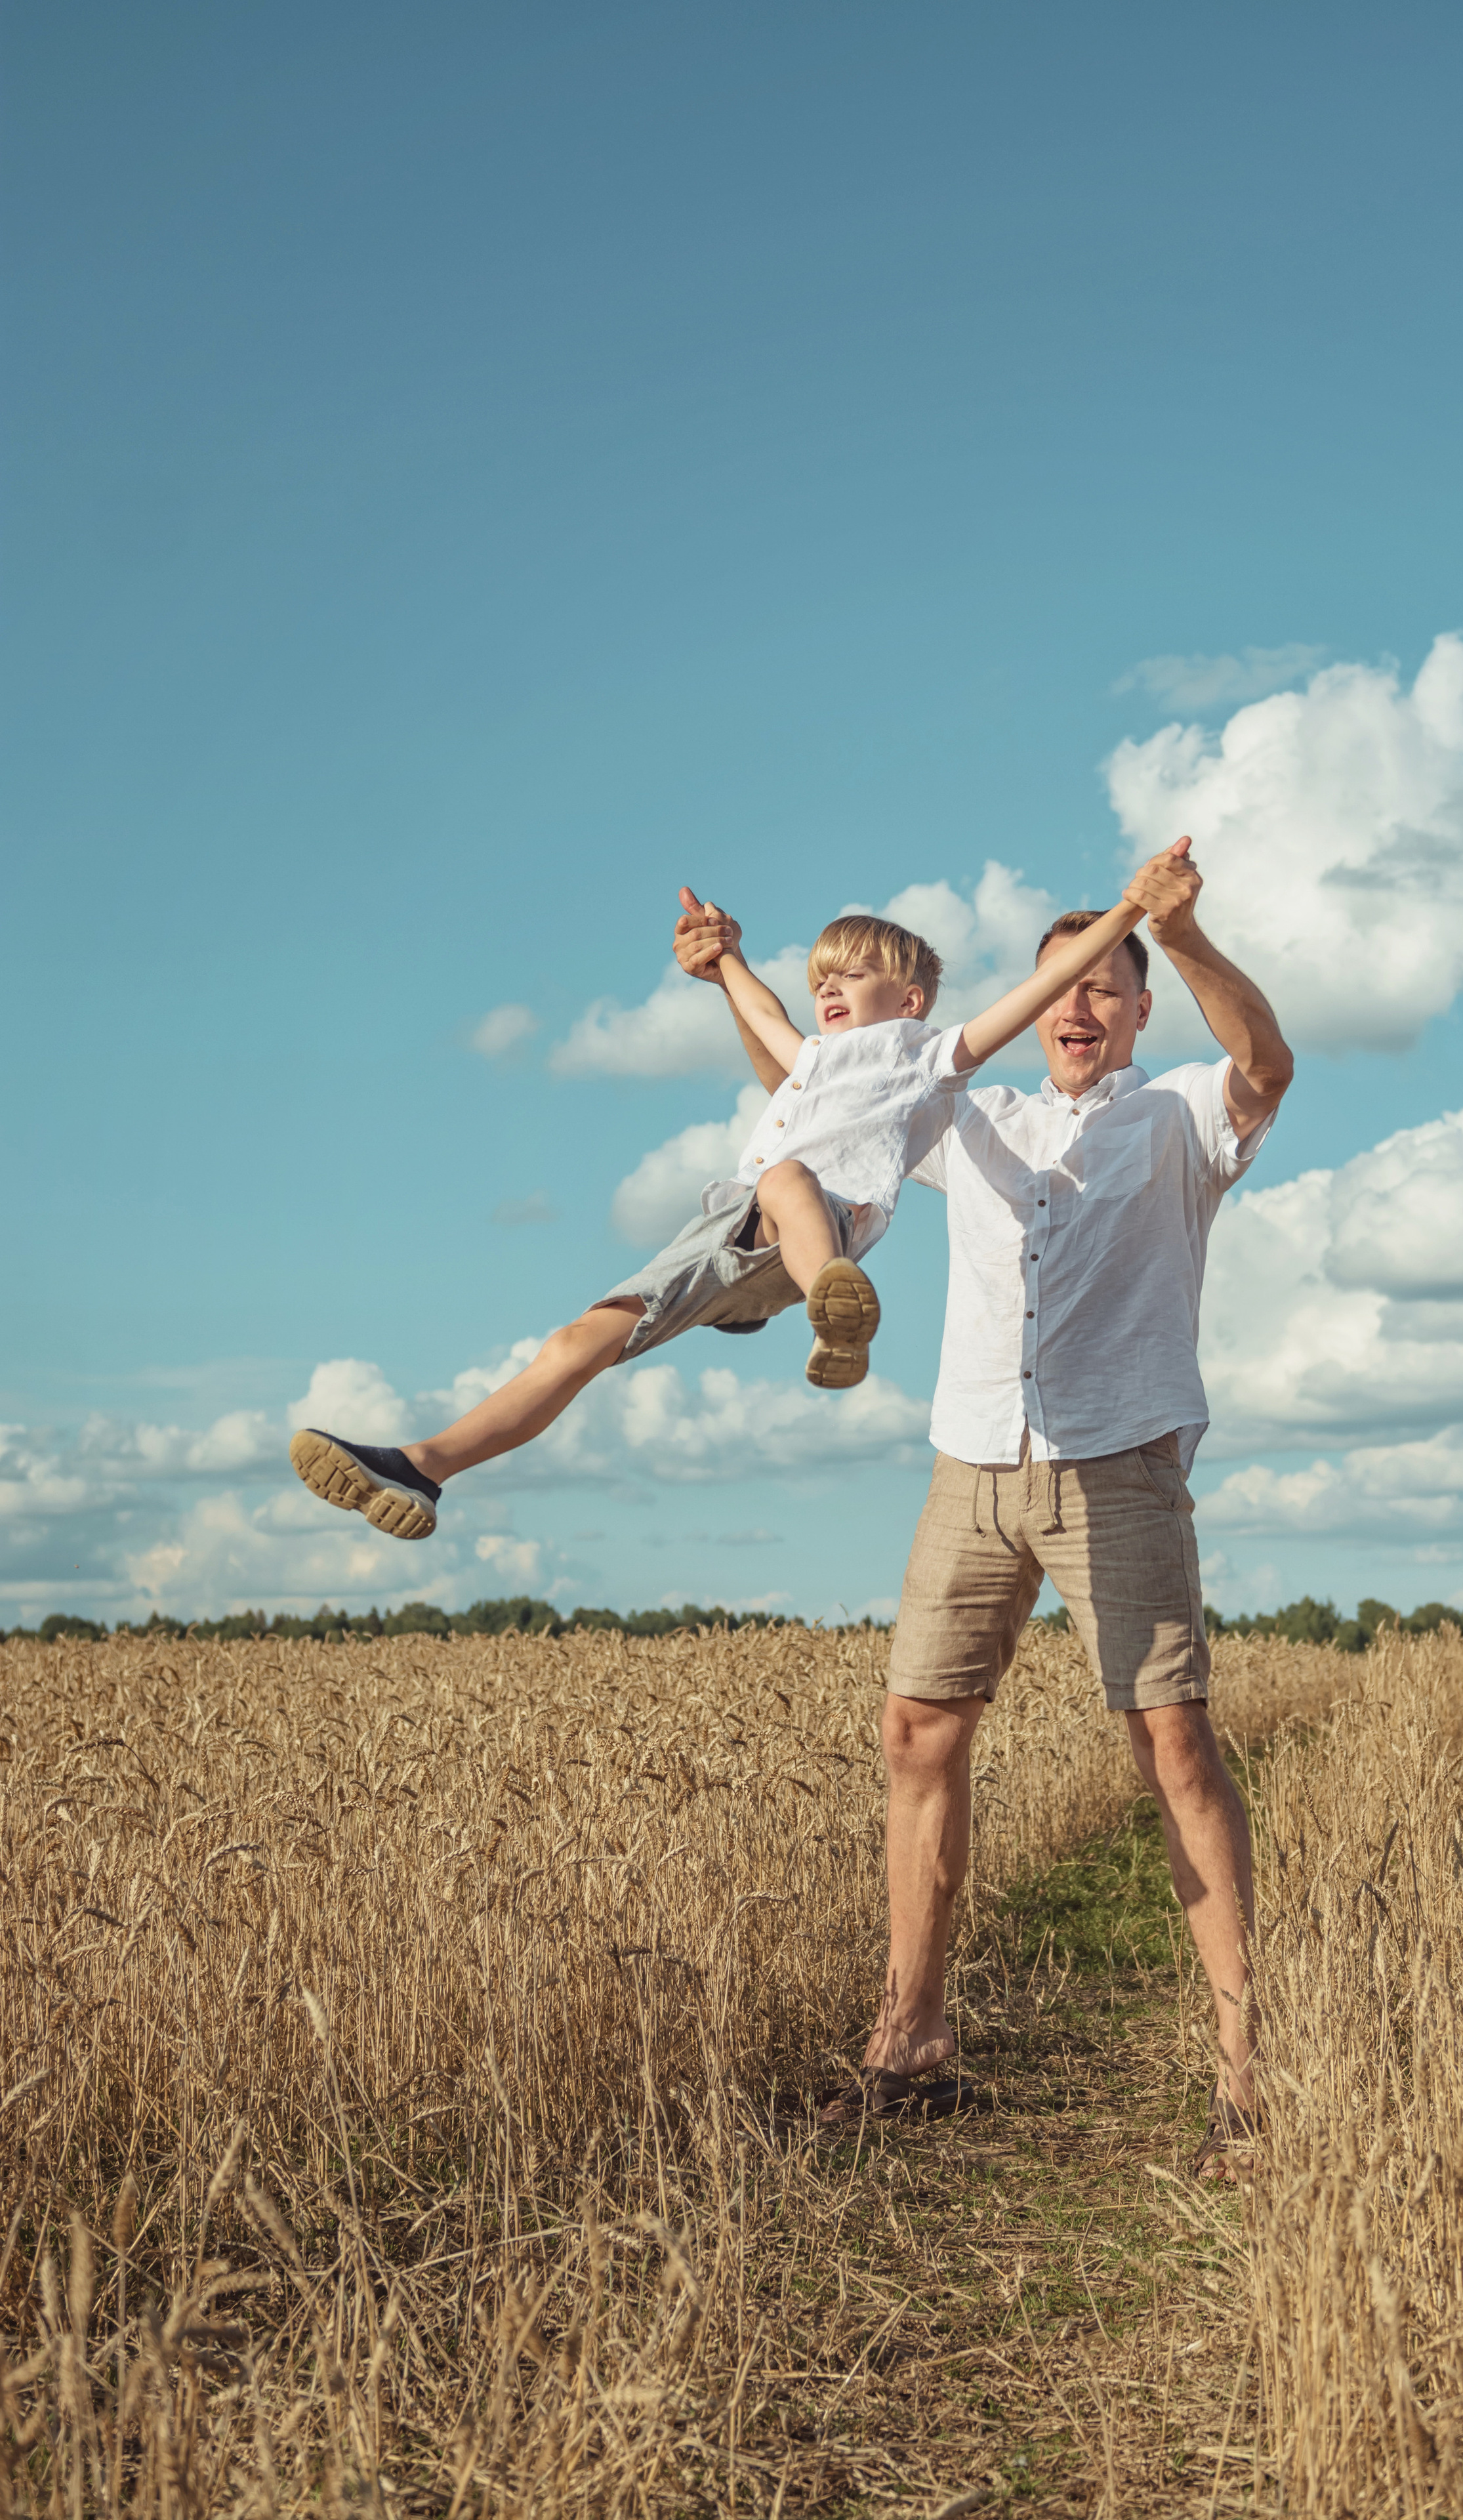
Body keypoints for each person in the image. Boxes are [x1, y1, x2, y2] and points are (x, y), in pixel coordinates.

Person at [674, 839, 1291, 2177]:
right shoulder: (976, 1118)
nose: (1077, 1010)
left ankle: (1245, 2079)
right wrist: (726, 969)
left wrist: (1179, 935)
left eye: (1106, 990)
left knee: (1171, 1744)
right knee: (914, 1730)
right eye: (1062, 989)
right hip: (968, 1461)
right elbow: (815, 1078)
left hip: (1116, 1461)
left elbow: (1266, 1066)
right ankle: (910, 2045)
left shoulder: (1181, 1115)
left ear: (1132, 1009)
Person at [287, 882, 1153, 1544]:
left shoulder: (927, 1060)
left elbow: (1039, 993)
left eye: (852, 974)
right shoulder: (815, 1060)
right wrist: (726, 958)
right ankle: (423, 1469)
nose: (829, 988)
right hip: (731, 1233)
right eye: (822, 978)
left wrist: (1127, 910)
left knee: (783, 1176)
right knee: (580, 1341)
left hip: (815, 1223)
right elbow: (765, 1015)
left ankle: (836, 1314)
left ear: (912, 1000)